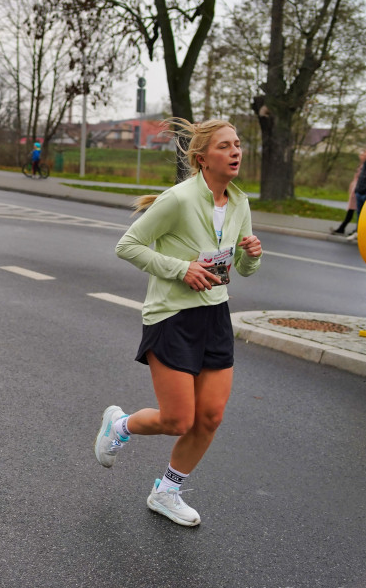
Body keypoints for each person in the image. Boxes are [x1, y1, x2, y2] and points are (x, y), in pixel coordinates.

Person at [95, 118, 262, 527]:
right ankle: (119, 425)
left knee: (210, 417)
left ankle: (166, 491)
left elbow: (241, 268)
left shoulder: (239, 203)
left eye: (238, 144)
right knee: (178, 419)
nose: (236, 151)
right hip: (172, 315)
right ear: (204, 158)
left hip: (215, 315)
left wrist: (252, 253)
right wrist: (181, 269)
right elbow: (127, 246)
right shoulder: (179, 199)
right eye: (225, 146)